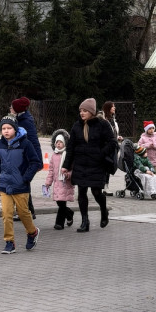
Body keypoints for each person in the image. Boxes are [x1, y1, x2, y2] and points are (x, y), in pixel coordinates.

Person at [62, 98, 115, 232]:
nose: (82, 113)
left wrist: (101, 153)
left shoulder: (103, 124)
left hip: (97, 164)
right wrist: (66, 165)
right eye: (80, 110)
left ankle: (104, 210)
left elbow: (112, 142)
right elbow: (70, 147)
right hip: (80, 163)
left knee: (97, 192)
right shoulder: (76, 126)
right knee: (82, 192)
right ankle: (85, 221)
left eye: (85, 110)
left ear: (92, 112)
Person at [0, 115, 40, 254]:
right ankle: (9, 242)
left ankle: (32, 232)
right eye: (3, 128)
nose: (6, 131)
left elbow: (35, 162)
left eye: (9, 128)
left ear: (15, 129)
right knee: (6, 214)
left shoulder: (25, 144)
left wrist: (26, 178)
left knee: (23, 213)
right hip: (4, 186)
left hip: (21, 186)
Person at [9, 97, 43, 219]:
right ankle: (28, 211)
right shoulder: (19, 119)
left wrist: (38, 160)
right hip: (20, 157)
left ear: (17, 109)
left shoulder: (25, 121)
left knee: (23, 183)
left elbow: (34, 141)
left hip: (27, 158)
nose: (10, 108)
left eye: (12, 107)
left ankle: (27, 212)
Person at [45, 129, 75, 230]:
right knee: (59, 202)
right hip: (57, 183)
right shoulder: (54, 155)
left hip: (65, 183)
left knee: (62, 202)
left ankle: (59, 223)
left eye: (60, 142)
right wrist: (48, 182)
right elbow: (51, 170)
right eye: (57, 142)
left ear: (65, 143)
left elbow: (73, 170)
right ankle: (69, 213)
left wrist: (68, 175)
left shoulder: (68, 155)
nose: (58, 144)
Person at [102, 101, 122, 195]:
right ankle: (103, 186)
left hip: (113, 146)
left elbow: (113, 133)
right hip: (105, 146)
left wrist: (117, 137)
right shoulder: (103, 119)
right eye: (112, 107)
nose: (114, 108)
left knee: (110, 166)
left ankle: (106, 186)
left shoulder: (113, 119)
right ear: (108, 108)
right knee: (104, 166)